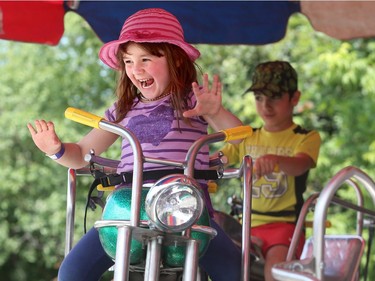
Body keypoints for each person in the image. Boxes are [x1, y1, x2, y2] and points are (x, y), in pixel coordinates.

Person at [27, 8, 243, 281]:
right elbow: (82, 154)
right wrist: (55, 149)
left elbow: (238, 137)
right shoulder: (122, 110)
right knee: (71, 272)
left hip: (184, 204)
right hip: (128, 204)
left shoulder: (193, 101)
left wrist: (215, 111)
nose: (135, 69)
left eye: (146, 59)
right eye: (128, 61)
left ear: (176, 60)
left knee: (234, 270)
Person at [218, 61, 321, 281]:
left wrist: (275, 160)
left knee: (275, 273)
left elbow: (301, 163)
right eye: (259, 98)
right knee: (211, 257)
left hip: (283, 227)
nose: (266, 106)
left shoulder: (305, 137)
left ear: (294, 98)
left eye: (274, 97)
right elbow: (218, 159)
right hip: (244, 227)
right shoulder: (247, 136)